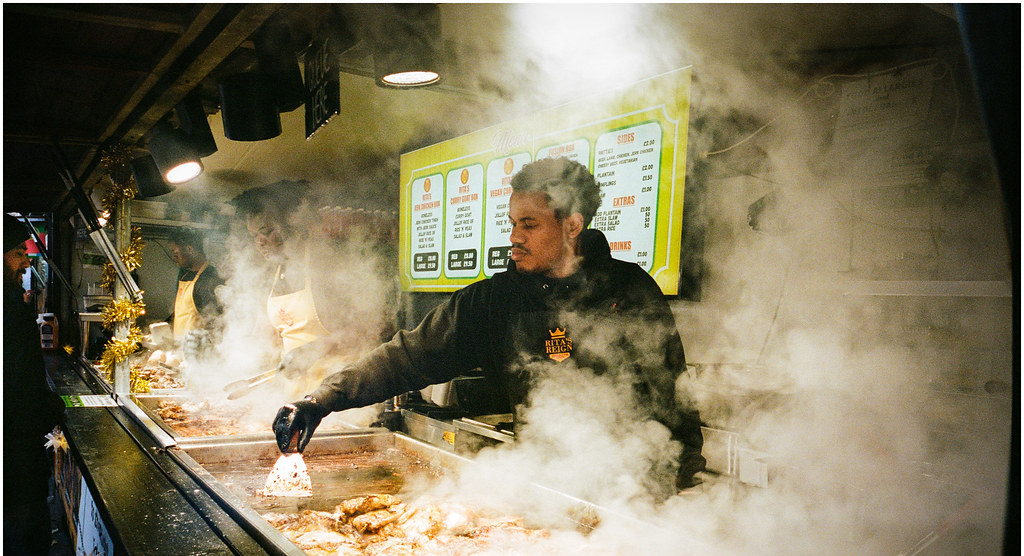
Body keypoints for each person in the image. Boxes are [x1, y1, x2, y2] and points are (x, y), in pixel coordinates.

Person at [273, 157, 705, 493]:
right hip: (542, 486)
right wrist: (320, 400)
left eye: (529, 224)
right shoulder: (496, 299)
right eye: (513, 223)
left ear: (572, 225)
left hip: (632, 489)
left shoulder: (629, 290)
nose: (514, 236)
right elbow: (408, 355)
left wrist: (675, 486)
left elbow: (674, 399)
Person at [230, 180, 395, 396]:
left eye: (267, 231)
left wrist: (314, 350)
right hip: (296, 392)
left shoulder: (326, 262)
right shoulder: (276, 270)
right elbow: (273, 335)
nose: (259, 242)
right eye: (254, 235)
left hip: (339, 390)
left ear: (293, 222)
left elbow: (372, 326)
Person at [3, 214, 66, 556]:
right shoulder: (9, 312)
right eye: (16, 252)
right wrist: (54, 409)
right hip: (14, 461)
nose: (25, 261)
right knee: (24, 553)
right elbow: (19, 390)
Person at [165, 228, 224, 354]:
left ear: (190, 250)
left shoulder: (209, 279)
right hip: (181, 351)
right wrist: (164, 328)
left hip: (199, 354)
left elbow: (215, 322)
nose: (174, 257)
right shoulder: (185, 275)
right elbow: (181, 314)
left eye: (176, 252)